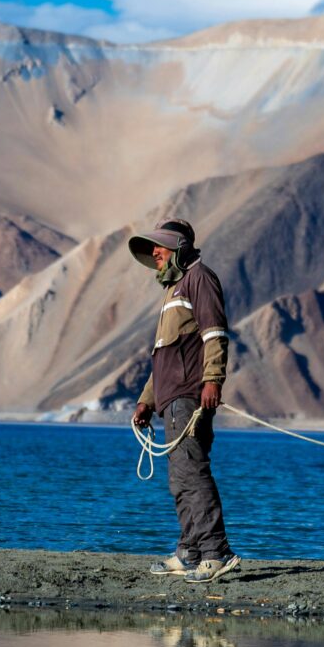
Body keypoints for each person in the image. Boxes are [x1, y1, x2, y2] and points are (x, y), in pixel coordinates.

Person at [127, 218, 237, 581]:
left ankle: (216, 553)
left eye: (159, 246)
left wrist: (212, 380)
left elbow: (215, 334)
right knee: (180, 478)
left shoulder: (199, 278)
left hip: (190, 396)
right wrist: (147, 400)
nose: (154, 253)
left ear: (178, 247)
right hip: (170, 400)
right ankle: (189, 551)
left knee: (193, 471)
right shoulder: (172, 291)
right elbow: (163, 357)